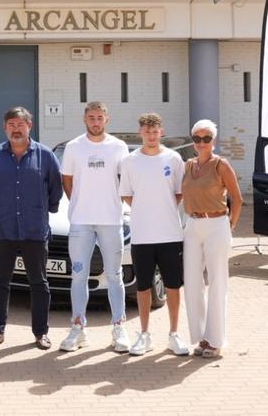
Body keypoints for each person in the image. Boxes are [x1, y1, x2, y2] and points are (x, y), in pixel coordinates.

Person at [0, 106, 61, 350]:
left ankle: (41, 333)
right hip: (3, 229)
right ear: (5, 128)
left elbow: (55, 188)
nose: (16, 129)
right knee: (0, 283)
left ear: (30, 126)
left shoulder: (45, 156)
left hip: (34, 230)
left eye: (20, 124)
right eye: (11, 125)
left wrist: (42, 210)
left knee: (39, 283)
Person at [58, 101, 132, 353]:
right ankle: (78, 327)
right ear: (84, 119)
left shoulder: (119, 147)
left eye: (100, 117)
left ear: (107, 119)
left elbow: (125, 180)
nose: (95, 122)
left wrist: (113, 203)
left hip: (111, 220)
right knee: (78, 275)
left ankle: (119, 327)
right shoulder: (74, 147)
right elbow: (67, 181)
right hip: (81, 221)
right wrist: (81, 203)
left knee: (114, 276)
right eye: (91, 117)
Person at [119, 112, 189, 356]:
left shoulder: (174, 158)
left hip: (170, 234)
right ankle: (145, 335)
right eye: (146, 131)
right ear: (141, 132)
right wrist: (145, 208)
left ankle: (174, 334)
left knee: (172, 286)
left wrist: (163, 207)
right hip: (142, 235)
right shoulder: (130, 161)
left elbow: (179, 192)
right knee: (143, 287)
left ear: (162, 132)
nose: (151, 135)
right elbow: (127, 195)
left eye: (155, 131)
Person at [181, 118, 244, 359]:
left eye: (206, 138)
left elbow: (237, 199)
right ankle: (201, 336)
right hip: (193, 224)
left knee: (217, 282)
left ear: (213, 141)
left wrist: (231, 226)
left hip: (217, 223)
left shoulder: (221, 165)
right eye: (197, 138)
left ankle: (216, 340)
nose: (201, 143)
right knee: (193, 281)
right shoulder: (188, 166)